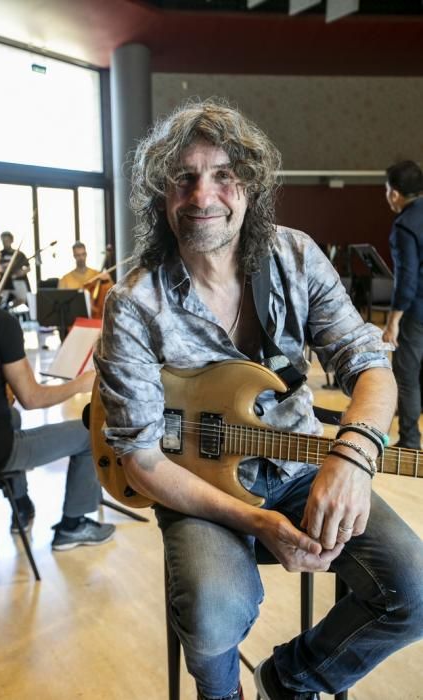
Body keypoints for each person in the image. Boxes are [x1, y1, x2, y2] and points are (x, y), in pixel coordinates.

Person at [95, 100, 423, 700]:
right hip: (195, 485)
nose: (202, 195)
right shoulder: (134, 304)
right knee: (213, 612)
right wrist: (256, 521)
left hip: (299, 467)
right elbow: (140, 458)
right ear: (160, 194)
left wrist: (351, 457)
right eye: (183, 177)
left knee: (415, 588)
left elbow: (371, 365)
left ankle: (292, 678)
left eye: (222, 174)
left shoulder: (295, 257)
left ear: (248, 185)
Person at [0, 226, 115, 551]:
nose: (1, 267)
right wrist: (78, 384)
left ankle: (22, 504)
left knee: (9, 418)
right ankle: (73, 525)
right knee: (90, 433)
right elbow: (31, 398)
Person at [382, 160, 423, 449]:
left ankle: (410, 441)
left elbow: (406, 280)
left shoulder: (405, 226)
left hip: (417, 313)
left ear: (395, 193)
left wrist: (393, 321)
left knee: (406, 377)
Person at [0, 230, 31, 301]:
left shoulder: (19, 254)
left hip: (18, 281)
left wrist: (22, 272)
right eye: (3, 240)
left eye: (7, 240)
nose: (5, 242)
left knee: (24, 299)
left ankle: (11, 308)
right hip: (5, 283)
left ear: (11, 240)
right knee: (0, 300)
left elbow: (28, 267)